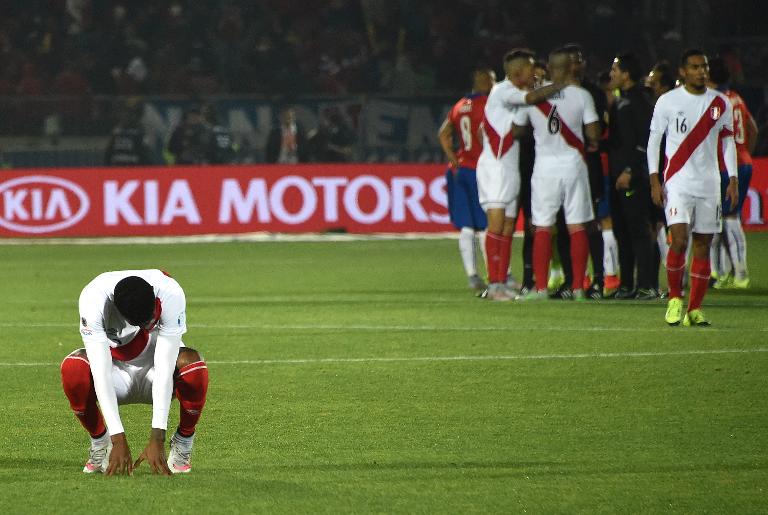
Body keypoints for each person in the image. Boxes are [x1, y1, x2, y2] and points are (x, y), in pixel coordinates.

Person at [60, 270, 208, 475]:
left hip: (155, 372)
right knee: (73, 367)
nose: (150, 324)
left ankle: (184, 441)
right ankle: (100, 443)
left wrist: (158, 437)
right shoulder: (93, 300)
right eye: (143, 323)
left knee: (194, 364)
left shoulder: (170, 291)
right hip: (116, 373)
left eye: (152, 318)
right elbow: (101, 372)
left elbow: (165, 367)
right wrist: (117, 438)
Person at [648, 49, 738, 326]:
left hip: (710, 183)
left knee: (704, 244)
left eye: (704, 67)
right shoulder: (667, 101)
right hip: (677, 180)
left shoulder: (720, 102)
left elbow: (727, 141)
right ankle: (675, 297)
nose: (701, 71)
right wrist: (654, 180)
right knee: (680, 239)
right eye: (695, 67)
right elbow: (654, 141)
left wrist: (732, 178)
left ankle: (694, 309)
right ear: (683, 72)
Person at [476, 48, 566, 301]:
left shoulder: (521, 94)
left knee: (507, 227)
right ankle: (493, 285)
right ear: (517, 72)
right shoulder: (504, 91)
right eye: (529, 67)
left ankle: (502, 281)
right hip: (494, 166)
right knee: (496, 224)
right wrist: (560, 84)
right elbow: (529, 103)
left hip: (510, 166)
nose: (534, 70)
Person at [512, 47, 601, 300]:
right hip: (574, 166)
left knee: (542, 226)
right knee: (576, 226)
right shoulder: (582, 96)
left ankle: (540, 288)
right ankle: (578, 288)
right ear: (570, 67)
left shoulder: (533, 96)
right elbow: (593, 134)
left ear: (550, 68)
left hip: (544, 169)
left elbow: (517, 131)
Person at [437, 69, 495, 291]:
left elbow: (443, 134)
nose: (493, 83)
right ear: (481, 81)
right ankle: (496, 275)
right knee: (486, 224)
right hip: (480, 169)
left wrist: (454, 159)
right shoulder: (488, 105)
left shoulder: (460, 105)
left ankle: (472, 275)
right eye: (491, 79)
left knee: (467, 226)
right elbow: (484, 134)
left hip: (460, 170)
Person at [607, 53, 656, 300]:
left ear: (626, 74)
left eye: (615, 70)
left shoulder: (639, 100)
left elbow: (646, 140)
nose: (611, 74)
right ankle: (627, 285)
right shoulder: (622, 99)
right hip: (617, 176)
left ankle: (646, 285)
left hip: (633, 177)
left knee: (639, 232)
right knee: (622, 233)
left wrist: (629, 170)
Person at [707, 56, 758, 289]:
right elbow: (753, 128)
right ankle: (722, 272)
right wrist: (746, 152)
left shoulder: (716, 101)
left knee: (727, 218)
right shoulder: (736, 97)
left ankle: (740, 273)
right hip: (742, 161)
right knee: (720, 219)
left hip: (725, 165)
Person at [105, 101, 153, 166]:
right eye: (124, 114)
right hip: (118, 168)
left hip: (133, 168)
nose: (126, 117)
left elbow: (144, 153)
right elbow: (109, 153)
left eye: (128, 115)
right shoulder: (116, 132)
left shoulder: (139, 132)